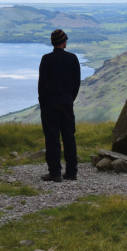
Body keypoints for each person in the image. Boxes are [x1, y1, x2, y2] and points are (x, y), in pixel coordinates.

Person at [37, 29, 80, 182]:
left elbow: (42, 85)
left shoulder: (46, 59)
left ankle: (55, 173)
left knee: (52, 138)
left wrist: (43, 103)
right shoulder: (73, 58)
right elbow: (76, 84)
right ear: (63, 42)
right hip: (67, 104)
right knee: (69, 136)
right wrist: (70, 99)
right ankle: (71, 172)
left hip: (50, 105)